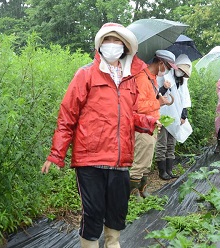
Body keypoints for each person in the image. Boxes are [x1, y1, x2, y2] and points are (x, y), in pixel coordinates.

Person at [41, 23, 158, 248]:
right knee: (93, 213)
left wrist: (149, 122)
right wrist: (56, 154)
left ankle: (113, 245)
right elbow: (67, 115)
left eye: (116, 41)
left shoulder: (129, 79)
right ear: (99, 45)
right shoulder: (86, 74)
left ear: (125, 47)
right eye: (107, 41)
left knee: (117, 212)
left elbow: (128, 116)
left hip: (120, 161)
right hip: (90, 159)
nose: (111, 45)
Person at [129, 50, 177, 198]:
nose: (167, 71)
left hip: (152, 125)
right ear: (161, 63)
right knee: (139, 163)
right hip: (143, 127)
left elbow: (150, 100)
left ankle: (142, 190)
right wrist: (158, 102)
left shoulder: (152, 78)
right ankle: (132, 194)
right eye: (168, 67)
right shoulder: (142, 78)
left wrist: (161, 100)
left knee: (146, 163)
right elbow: (137, 106)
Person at [155, 54, 193, 180]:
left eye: (184, 71)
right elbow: (156, 96)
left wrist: (184, 114)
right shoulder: (165, 77)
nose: (181, 73)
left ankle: (169, 170)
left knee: (172, 142)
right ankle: (162, 171)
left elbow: (185, 98)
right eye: (180, 69)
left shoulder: (181, 82)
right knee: (162, 142)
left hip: (176, 115)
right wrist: (164, 88)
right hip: (163, 114)